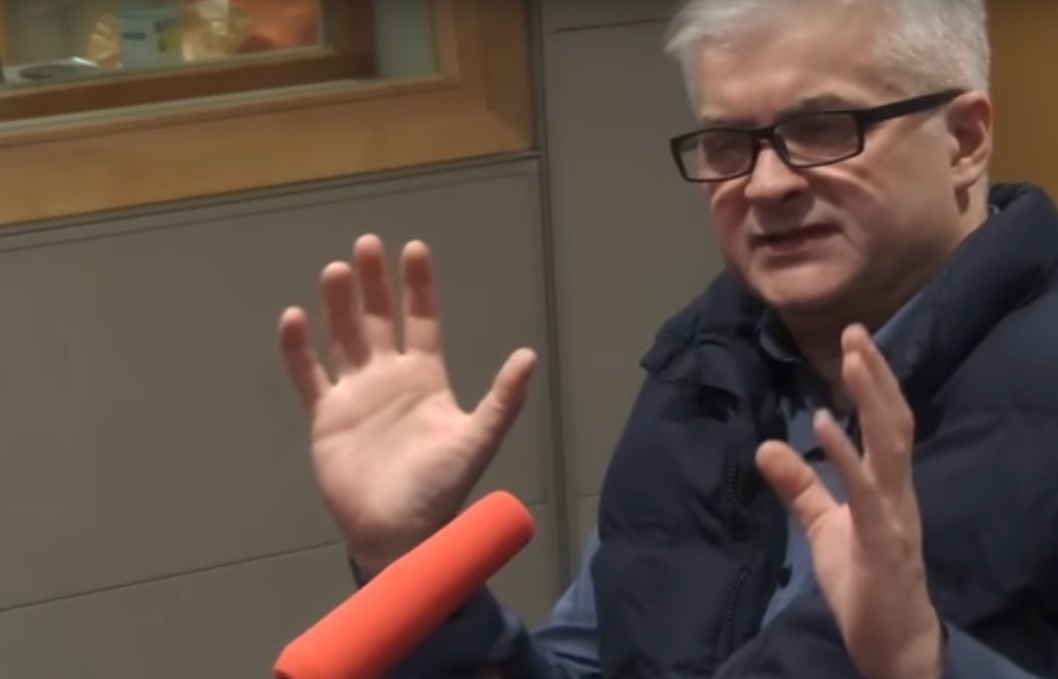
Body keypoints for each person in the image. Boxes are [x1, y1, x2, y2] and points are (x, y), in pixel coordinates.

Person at [277, 0, 1058, 676]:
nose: (767, 184)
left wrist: (923, 663)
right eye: (727, 145)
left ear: (964, 140)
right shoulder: (701, 378)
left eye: (823, 130)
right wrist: (412, 560)